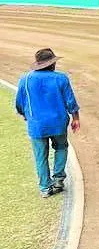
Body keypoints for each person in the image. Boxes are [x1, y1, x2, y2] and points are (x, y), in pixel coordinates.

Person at [15, 48, 81, 198]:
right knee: (61, 147)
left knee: (40, 156)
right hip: (58, 123)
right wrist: (76, 118)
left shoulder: (25, 80)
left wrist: (25, 115)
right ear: (52, 64)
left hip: (37, 125)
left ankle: (45, 187)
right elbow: (70, 101)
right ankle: (58, 179)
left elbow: (19, 103)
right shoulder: (61, 78)